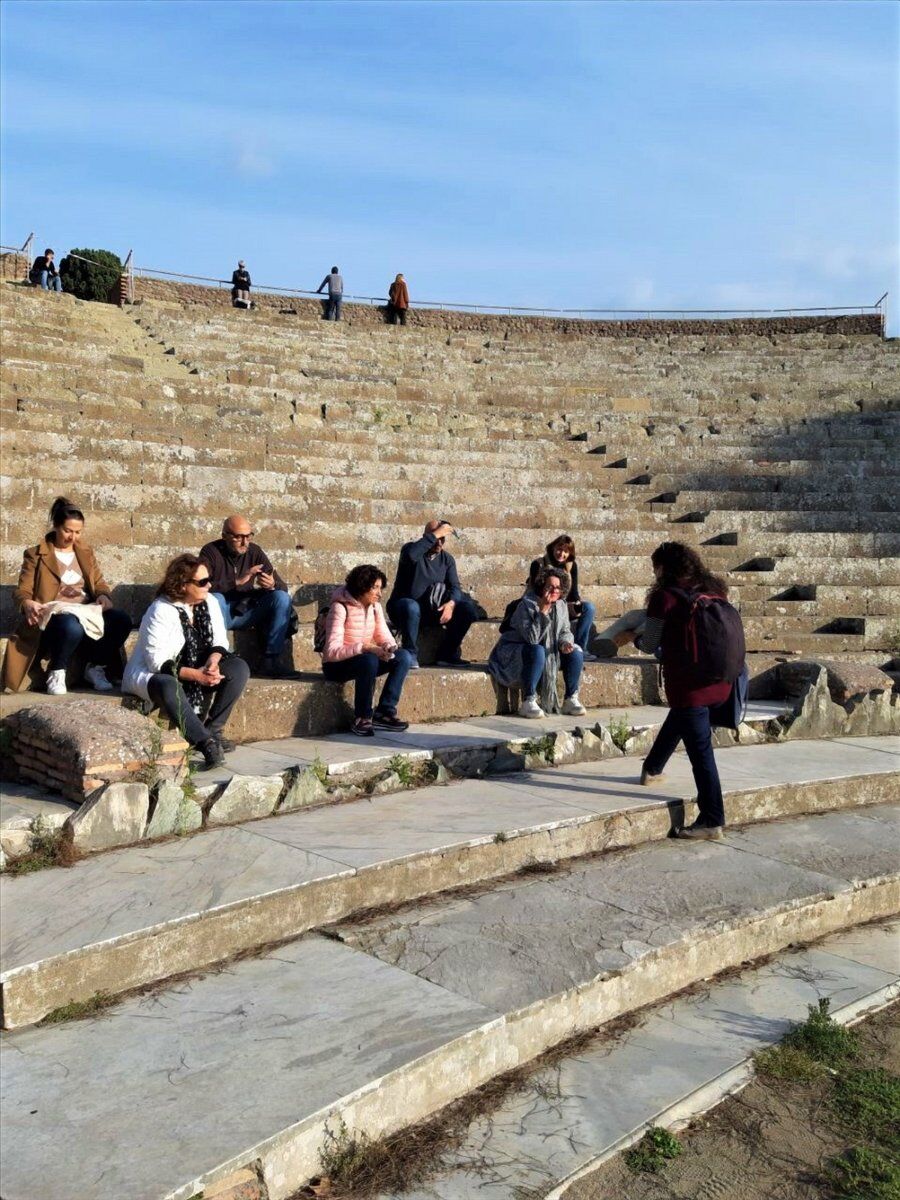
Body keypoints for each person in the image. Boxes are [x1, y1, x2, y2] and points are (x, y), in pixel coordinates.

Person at [637, 541, 733, 840]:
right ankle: (652, 768)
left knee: (701, 752)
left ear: (663, 568)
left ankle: (712, 819)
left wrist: (635, 636)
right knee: (681, 717)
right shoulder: (714, 589)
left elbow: (650, 643)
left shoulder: (663, 598)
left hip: (689, 686)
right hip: (721, 680)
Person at [123, 554, 250, 768]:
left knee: (239, 668)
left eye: (209, 580)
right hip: (159, 674)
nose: (209, 585)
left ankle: (214, 730)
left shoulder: (209, 602)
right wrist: (198, 676)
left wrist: (212, 664)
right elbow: (158, 663)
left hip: (197, 666)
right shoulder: (160, 610)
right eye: (202, 582)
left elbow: (220, 640)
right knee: (168, 684)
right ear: (183, 585)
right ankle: (205, 743)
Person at [2, 497, 131, 695]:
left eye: (78, 532)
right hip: (53, 614)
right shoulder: (35, 554)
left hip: (86, 610)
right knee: (71, 625)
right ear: (56, 526)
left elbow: (99, 583)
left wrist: (104, 595)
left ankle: (95, 667)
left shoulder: (86, 553)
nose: (73, 537)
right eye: (68, 531)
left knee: (121, 620)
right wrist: (26, 603)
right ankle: (57, 671)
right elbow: (22, 590)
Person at [321, 564, 412, 737]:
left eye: (380, 588)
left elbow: (383, 635)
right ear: (362, 587)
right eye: (375, 588)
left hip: (364, 661)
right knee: (368, 659)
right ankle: (362, 717)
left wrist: (388, 647)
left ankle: (385, 711)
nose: (379, 593)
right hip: (337, 666)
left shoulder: (375, 607)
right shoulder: (340, 608)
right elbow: (331, 652)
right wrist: (365, 647)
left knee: (404, 657)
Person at [199, 516, 294, 677]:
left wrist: (271, 584)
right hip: (221, 612)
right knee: (215, 598)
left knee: (281, 597)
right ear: (225, 536)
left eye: (248, 536)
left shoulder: (255, 551)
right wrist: (238, 581)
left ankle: (270, 661)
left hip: (247, 610)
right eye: (238, 537)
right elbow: (201, 585)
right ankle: (219, 659)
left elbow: (282, 586)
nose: (245, 542)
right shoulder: (210, 551)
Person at [487, 566, 586, 718]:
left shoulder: (561, 605)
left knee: (576, 652)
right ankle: (528, 700)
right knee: (537, 650)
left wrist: (565, 643)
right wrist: (543, 611)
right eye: (550, 587)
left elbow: (565, 630)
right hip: (514, 653)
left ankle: (571, 698)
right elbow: (532, 639)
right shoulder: (526, 605)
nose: (554, 591)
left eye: (558, 588)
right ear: (541, 587)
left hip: (547, 651)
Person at [386, 520, 478, 669]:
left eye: (443, 538)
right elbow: (411, 556)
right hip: (403, 610)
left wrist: (451, 603)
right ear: (426, 537)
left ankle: (447, 654)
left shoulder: (447, 559)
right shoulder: (411, 550)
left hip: (431, 611)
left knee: (467, 610)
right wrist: (437, 533)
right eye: (436, 538)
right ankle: (410, 654)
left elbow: (455, 587)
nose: (439, 542)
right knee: (411, 606)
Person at [529, 535, 598, 660]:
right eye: (559, 549)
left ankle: (580, 648)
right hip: (543, 603)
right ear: (553, 548)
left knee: (589, 608)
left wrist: (575, 604)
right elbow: (535, 591)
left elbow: (574, 592)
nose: (562, 554)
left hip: (564, 605)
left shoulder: (571, 566)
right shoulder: (538, 564)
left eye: (566, 551)